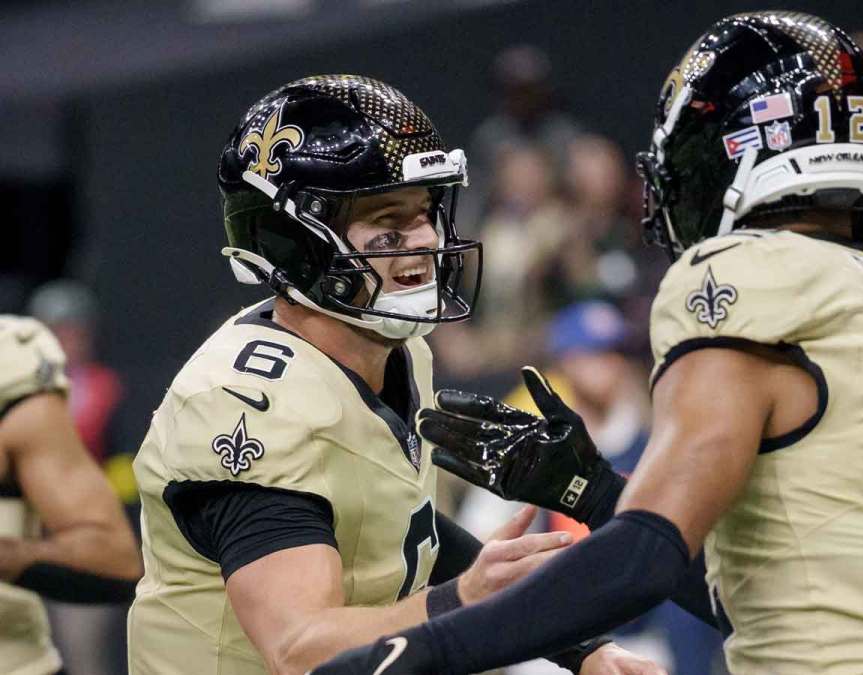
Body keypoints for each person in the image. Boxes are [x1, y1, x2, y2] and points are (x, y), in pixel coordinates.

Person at [315, 11, 863, 674]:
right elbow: (776, 594)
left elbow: (645, 559)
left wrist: (424, 646)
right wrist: (599, 491)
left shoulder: (747, 273)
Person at [126, 74, 658, 675]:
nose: (427, 240)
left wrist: (577, 647)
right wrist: (466, 599)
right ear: (297, 240)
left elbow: (409, 534)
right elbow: (298, 648)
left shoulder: (398, 351)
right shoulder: (245, 403)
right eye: (389, 223)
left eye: (426, 212)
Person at [0, 316, 142, 674]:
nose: (70, 340)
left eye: (74, 331)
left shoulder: (97, 386)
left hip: (59, 529)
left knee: (84, 654)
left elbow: (114, 558)